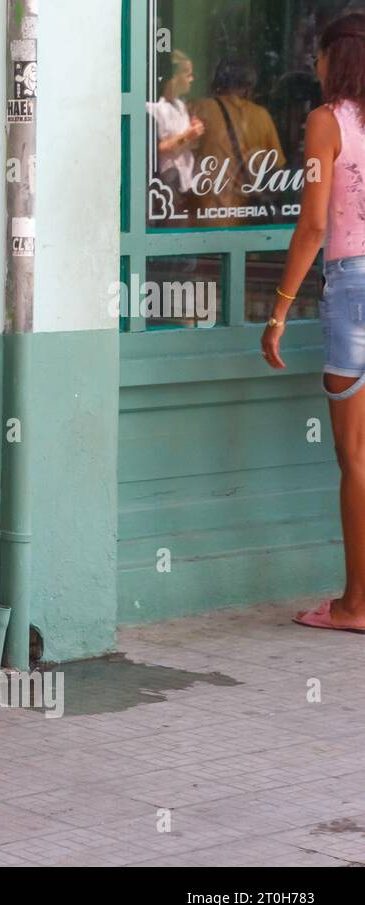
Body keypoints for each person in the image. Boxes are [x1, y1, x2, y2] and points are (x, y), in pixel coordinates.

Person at [262, 13, 365, 634]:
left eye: (320, 55)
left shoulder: (327, 122)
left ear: (334, 58)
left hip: (353, 288)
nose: (316, 65)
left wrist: (277, 310)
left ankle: (356, 605)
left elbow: (314, 226)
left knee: (355, 457)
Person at [191, 58, 286, 220]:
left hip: (205, 216)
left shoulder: (200, 109)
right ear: (249, 87)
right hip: (246, 221)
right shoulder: (262, 116)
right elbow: (276, 171)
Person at [148, 49, 205, 202]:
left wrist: (195, 132)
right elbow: (158, 149)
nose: (191, 79)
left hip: (186, 182)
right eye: (187, 74)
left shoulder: (181, 105)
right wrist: (188, 136)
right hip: (168, 185)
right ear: (173, 77)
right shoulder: (154, 108)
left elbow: (187, 143)